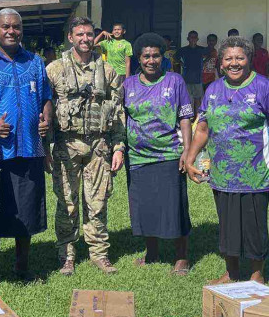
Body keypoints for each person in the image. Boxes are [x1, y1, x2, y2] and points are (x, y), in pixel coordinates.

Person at [0, 8, 52, 284]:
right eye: (5, 27)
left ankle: (22, 267)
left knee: (27, 210)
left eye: (16, 27)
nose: (11, 31)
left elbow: (46, 96)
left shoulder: (35, 63)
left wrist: (46, 118)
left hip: (29, 148)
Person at [187, 36, 269, 284]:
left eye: (240, 58)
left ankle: (257, 274)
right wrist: (190, 158)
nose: (234, 63)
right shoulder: (213, 89)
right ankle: (231, 272)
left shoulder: (263, 87)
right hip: (222, 173)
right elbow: (202, 129)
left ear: (249, 60)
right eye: (229, 59)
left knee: (254, 226)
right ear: (220, 63)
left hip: (256, 172)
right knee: (227, 225)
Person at [47, 17, 125, 276]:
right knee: (67, 203)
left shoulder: (108, 71)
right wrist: (43, 149)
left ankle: (99, 254)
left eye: (89, 34)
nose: (85, 39)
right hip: (66, 146)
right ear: (71, 37)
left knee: (98, 202)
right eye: (79, 34)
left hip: (98, 146)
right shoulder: (54, 69)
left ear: (95, 37)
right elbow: (44, 111)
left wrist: (118, 148)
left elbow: (118, 113)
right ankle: (66, 254)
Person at [123, 33, 193, 274]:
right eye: (146, 56)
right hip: (138, 158)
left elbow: (185, 117)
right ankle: (151, 252)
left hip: (169, 155)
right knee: (145, 207)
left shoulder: (175, 81)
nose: (151, 60)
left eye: (156, 56)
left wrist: (187, 151)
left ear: (162, 57)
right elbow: (122, 118)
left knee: (175, 206)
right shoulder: (128, 85)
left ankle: (181, 257)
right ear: (138, 58)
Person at [177, 30, 207, 119]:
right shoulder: (183, 50)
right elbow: (176, 57)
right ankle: (187, 118)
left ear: (197, 39)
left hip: (198, 78)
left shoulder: (201, 49)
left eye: (195, 37)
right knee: (187, 100)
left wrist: (204, 62)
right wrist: (181, 64)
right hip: (186, 78)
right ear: (187, 38)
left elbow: (210, 54)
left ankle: (197, 118)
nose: (193, 39)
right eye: (191, 37)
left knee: (198, 99)